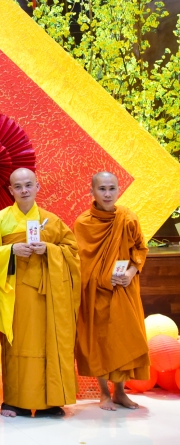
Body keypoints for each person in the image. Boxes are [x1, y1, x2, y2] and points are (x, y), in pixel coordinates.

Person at [0, 168, 80, 417]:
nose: (24, 190)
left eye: (29, 185)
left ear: (38, 186)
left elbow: (71, 251)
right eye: (18, 186)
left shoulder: (53, 221)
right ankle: (15, 400)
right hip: (15, 296)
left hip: (47, 297)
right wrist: (11, 250)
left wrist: (48, 249)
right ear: (10, 190)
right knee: (16, 346)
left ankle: (50, 401)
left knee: (48, 343)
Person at [74, 171, 149, 411]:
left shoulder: (128, 218)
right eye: (102, 189)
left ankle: (120, 392)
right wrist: (102, 278)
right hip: (95, 292)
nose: (107, 194)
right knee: (99, 341)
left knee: (123, 337)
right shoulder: (83, 223)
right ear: (92, 192)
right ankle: (104, 393)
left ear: (118, 190)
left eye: (112, 188)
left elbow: (140, 249)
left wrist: (130, 273)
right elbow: (80, 262)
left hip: (124, 289)